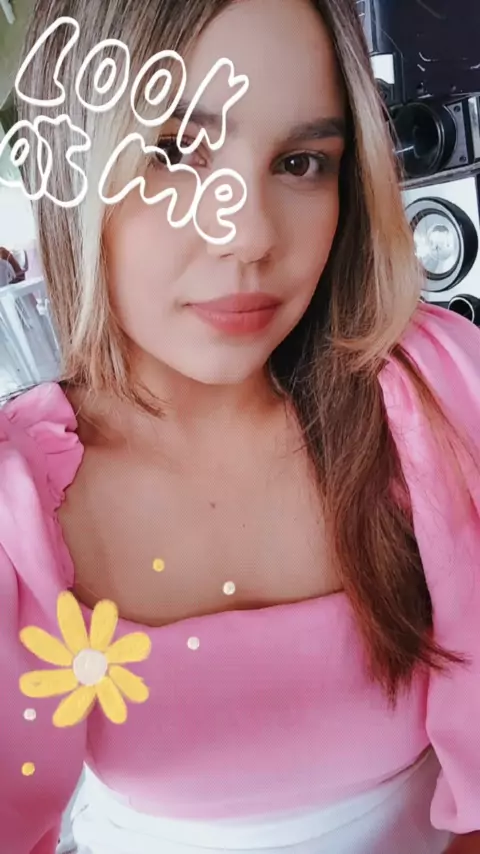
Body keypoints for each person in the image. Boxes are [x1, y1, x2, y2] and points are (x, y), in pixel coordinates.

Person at [0, 0, 479, 852]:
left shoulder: (438, 401)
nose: (251, 235)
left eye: (301, 162)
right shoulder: (21, 507)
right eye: (173, 153)